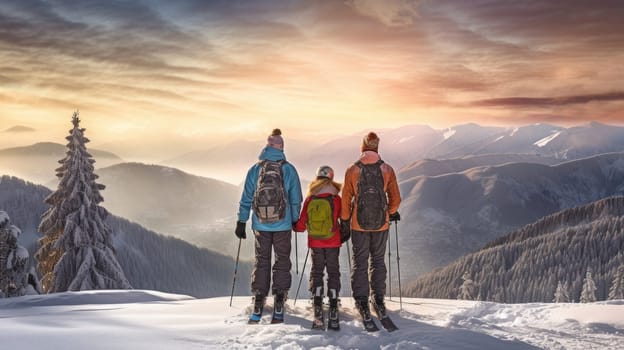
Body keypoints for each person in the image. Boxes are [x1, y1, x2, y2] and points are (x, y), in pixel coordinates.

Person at [235, 128, 303, 323]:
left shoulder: (256, 169)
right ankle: (280, 298)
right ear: (281, 148)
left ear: (266, 146)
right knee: (282, 261)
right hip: (282, 225)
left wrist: (242, 221)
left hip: (260, 225)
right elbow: (295, 198)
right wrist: (294, 219)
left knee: (262, 260)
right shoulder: (288, 169)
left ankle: (259, 297)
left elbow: (246, 197)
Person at [340, 131, 401, 324]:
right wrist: (389, 212)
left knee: (360, 261)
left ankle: (361, 299)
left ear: (363, 147)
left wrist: (345, 221)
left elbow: (345, 199)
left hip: (359, 224)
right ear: (377, 147)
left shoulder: (352, 169)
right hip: (381, 224)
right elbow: (396, 199)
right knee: (378, 261)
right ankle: (379, 298)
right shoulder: (387, 169)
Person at [294, 165, 343, 329]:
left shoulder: (310, 198)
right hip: (333, 241)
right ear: (331, 178)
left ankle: (317, 305)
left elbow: (301, 225)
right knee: (333, 271)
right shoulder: (336, 198)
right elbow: (344, 217)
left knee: (317, 271)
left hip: (315, 241)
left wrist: (296, 227)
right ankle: (334, 304)